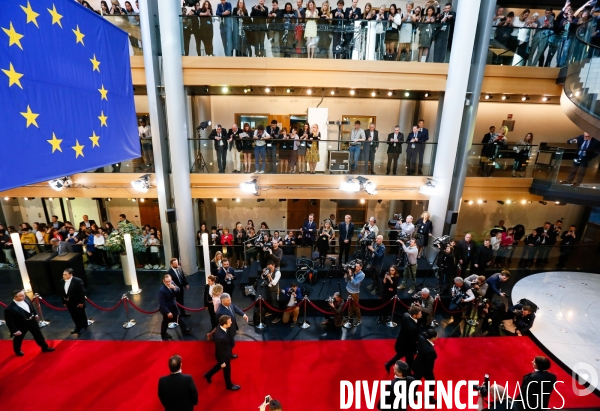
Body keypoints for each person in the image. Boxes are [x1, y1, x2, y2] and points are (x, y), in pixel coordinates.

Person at [4, 290, 55, 356]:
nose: (24, 296)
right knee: (18, 339)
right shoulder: (9, 309)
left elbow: (31, 307)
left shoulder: (26, 298)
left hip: (32, 321)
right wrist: (15, 330)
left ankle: (44, 347)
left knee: (38, 335)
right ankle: (17, 350)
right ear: (15, 297)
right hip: (21, 325)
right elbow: (9, 322)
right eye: (21, 296)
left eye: (24, 294)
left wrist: (35, 314)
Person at [204, 315, 241, 391]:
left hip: (227, 351)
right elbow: (218, 351)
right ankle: (229, 385)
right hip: (224, 355)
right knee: (226, 370)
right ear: (224, 324)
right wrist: (222, 361)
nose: (231, 322)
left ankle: (208, 374)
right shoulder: (220, 338)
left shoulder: (221, 325)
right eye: (229, 321)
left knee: (219, 366)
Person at [384, 305, 421, 372]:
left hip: (401, 342)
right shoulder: (413, 328)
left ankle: (388, 364)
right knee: (409, 360)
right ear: (414, 315)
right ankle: (408, 374)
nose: (421, 314)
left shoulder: (406, 315)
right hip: (408, 347)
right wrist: (415, 350)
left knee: (399, 356)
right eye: (419, 313)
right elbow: (412, 341)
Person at [159, 274, 192, 339]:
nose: (168, 283)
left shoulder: (172, 283)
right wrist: (167, 312)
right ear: (164, 281)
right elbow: (162, 303)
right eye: (167, 281)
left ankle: (184, 330)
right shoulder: (162, 290)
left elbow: (178, 289)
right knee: (165, 321)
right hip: (167, 308)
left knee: (179, 317)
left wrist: (174, 288)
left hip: (173, 305)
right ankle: (163, 333)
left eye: (169, 281)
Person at [412, 329, 438, 406]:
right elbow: (429, 365)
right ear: (433, 338)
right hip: (425, 369)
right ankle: (430, 398)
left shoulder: (421, 338)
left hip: (417, 364)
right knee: (431, 382)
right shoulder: (430, 351)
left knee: (415, 381)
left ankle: (412, 395)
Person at [61, 268, 89, 335]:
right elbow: (62, 292)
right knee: (73, 315)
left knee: (81, 314)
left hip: (77, 302)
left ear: (71, 274)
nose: (63, 276)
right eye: (63, 274)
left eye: (65, 274)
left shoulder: (77, 281)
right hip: (69, 303)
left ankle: (83, 326)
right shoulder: (62, 281)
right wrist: (64, 302)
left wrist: (82, 302)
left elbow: (82, 292)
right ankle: (77, 326)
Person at [345, 260, 365, 326]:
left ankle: (359, 320)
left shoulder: (362, 275)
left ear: (361, 267)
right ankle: (350, 317)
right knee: (349, 305)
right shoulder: (352, 270)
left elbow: (355, 283)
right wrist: (347, 273)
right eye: (355, 266)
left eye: (357, 266)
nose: (355, 267)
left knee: (356, 307)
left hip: (354, 292)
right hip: (348, 289)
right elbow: (346, 279)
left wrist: (351, 274)